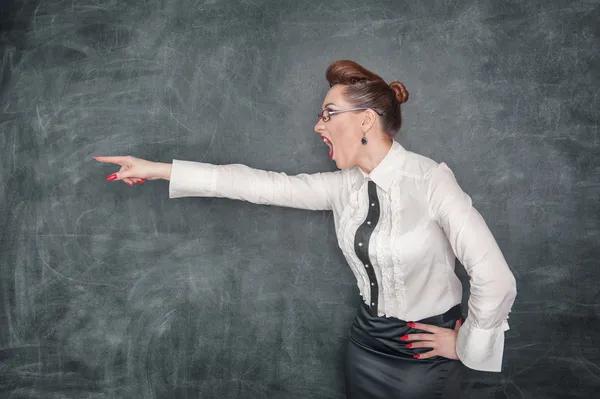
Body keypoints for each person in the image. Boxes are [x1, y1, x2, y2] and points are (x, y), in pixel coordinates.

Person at [94, 60, 517, 398]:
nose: (319, 125)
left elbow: (494, 278)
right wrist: (158, 170)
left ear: (367, 120)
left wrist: (464, 346)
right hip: (364, 348)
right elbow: (255, 184)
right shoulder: (342, 188)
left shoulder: (430, 180)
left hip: (422, 360)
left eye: (329, 114)